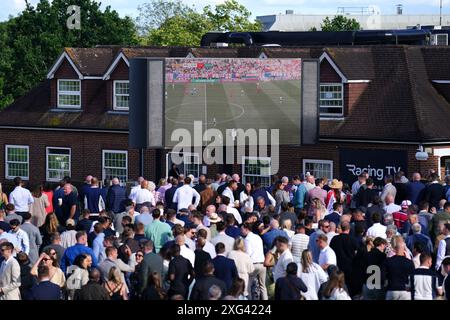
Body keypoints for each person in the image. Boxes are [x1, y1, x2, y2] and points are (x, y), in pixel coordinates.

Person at [241, 222, 268, 300]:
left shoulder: (247, 239)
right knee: (263, 286)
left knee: (248, 285)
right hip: (262, 263)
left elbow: (248, 254)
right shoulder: (258, 237)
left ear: (246, 229)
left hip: (254, 264)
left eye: (242, 229)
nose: (241, 231)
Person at [329, 221, 357, 290]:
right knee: (349, 286)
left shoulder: (335, 239)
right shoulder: (353, 239)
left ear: (341, 228)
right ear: (349, 229)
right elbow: (356, 252)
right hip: (350, 266)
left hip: (338, 266)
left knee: (338, 286)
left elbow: (331, 251)